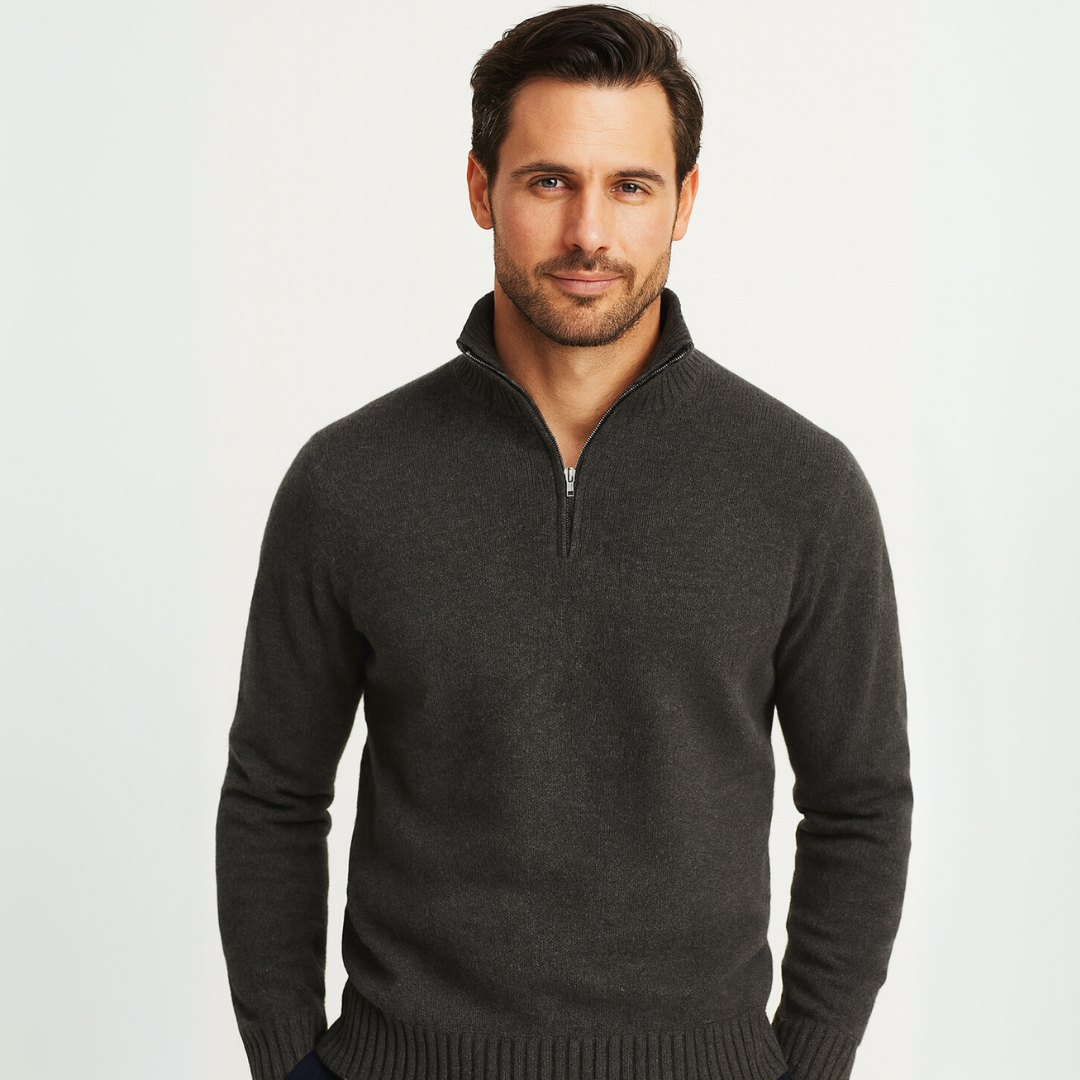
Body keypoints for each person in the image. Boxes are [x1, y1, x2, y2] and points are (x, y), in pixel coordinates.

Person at [216, 7, 912, 1080]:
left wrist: (809, 1065)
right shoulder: (348, 480)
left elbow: (860, 806)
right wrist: (285, 1061)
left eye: (630, 185)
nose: (590, 231)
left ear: (684, 202)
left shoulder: (803, 488)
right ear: (479, 188)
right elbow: (273, 792)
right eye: (549, 181)